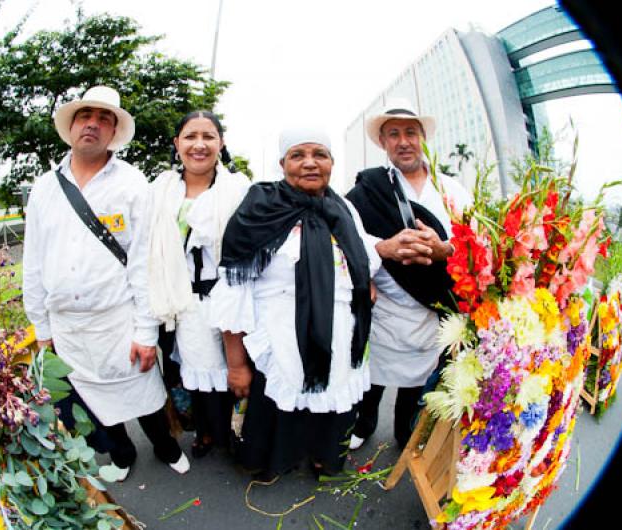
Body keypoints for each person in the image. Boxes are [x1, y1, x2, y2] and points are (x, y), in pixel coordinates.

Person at [22, 85, 189, 481]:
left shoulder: (132, 184)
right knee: (89, 398)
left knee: (143, 392)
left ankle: (165, 447)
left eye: (104, 119)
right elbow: (33, 262)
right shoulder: (45, 188)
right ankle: (120, 454)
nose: (93, 125)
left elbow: (143, 262)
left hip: (118, 317)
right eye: (85, 116)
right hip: (66, 324)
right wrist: (41, 330)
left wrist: (146, 332)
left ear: (114, 132)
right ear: (71, 126)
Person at [210, 128, 380, 480]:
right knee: (277, 405)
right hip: (279, 334)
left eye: (319, 154)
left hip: (338, 333)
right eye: (298, 155)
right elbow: (234, 288)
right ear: (282, 164)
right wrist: (236, 363)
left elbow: (363, 256)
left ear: (332, 162)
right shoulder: (260, 206)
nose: (309, 163)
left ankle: (323, 457)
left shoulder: (343, 207)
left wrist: (366, 283)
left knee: (333, 400)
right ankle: (275, 461)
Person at [345, 97, 472, 451]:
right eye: (394, 134)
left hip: (434, 307)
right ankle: (365, 422)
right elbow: (343, 236)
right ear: (383, 143)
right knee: (375, 375)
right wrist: (379, 255)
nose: (403, 141)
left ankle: (406, 429)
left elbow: (475, 242)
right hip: (385, 303)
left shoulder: (452, 191)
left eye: (411, 132)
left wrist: (443, 249)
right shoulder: (368, 190)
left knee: (417, 377)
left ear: (422, 139)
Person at [147, 111, 251, 457]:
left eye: (208, 136)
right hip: (181, 300)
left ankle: (233, 434)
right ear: (177, 144)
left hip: (229, 293)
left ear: (221, 143)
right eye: (190, 136)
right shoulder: (161, 191)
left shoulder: (238, 189)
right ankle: (205, 431)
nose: (199, 144)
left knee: (236, 373)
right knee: (196, 375)